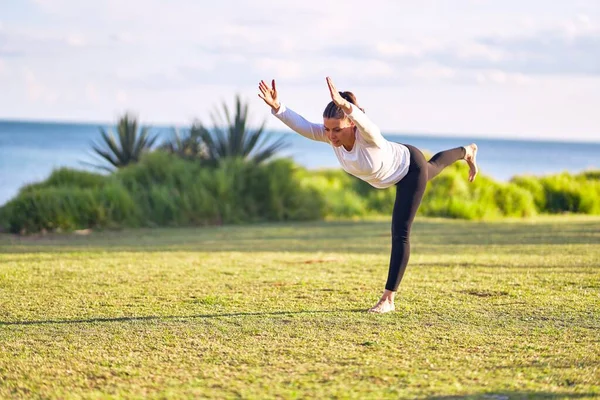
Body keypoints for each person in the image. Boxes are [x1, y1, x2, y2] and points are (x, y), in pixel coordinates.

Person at [257, 77, 478, 314]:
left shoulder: (368, 135)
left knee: (401, 231)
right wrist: (278, 107)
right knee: (434, 166)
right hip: (393, 165)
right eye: (328, 129)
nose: (331, 136)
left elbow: (365, 122)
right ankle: (467, 151)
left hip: (409, 170)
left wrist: (346, 106)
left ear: (351, 124)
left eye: (337, 130)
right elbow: (305, 127)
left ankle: (388, 299)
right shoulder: (332, 138)